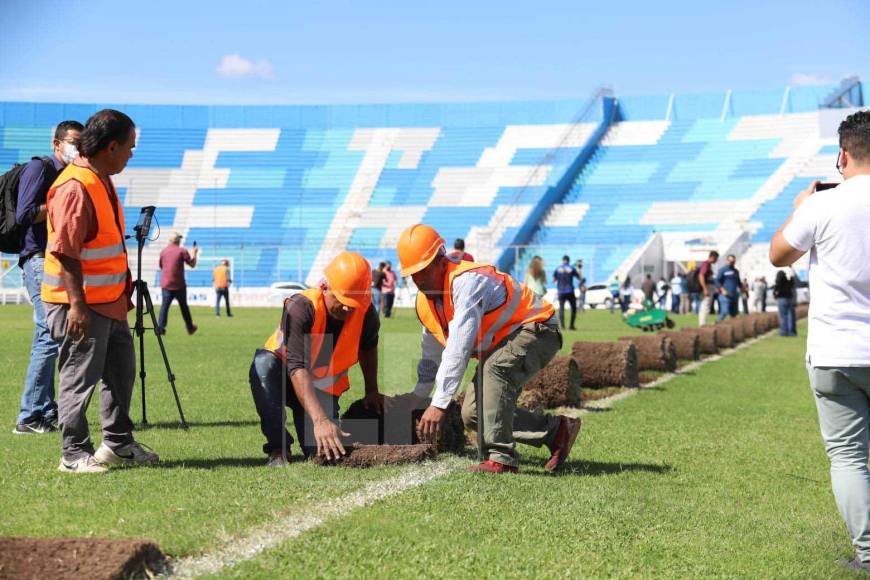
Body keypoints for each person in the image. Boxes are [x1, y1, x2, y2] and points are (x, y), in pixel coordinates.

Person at [769, 109, 870, 572]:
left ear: (842, 155)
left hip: (836, 350)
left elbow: (778, 255)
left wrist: (797, 209)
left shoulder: (821, 205)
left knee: (849, 458)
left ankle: (868, 555)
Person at [398, 224, 580, 474]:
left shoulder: (467, 282)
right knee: (472, 414)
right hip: (506, 342)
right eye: (412, 274)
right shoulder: (424, 303)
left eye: (423, 271)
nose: (418, 280)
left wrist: (439, 405)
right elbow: (431, 357)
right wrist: (419, 399)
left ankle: (501, 458)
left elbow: (458, 349)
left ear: (441, 261)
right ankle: (557, 431)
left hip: (538, 330)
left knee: (495, 369)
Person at [41, 109, 157, 473]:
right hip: (79, 304)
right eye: (129, 148)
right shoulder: (75, 186)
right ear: (110, 147)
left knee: (120, 373)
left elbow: (106, 246)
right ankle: (73, 454)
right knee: (79, 377)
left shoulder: (101, 178)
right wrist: (77, 305)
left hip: (108, 302)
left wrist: (123, 292)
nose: (131, 155)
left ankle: (118, 443)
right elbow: (66, 251)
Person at [250, 251, 382, 466]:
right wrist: (320, 420)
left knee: (321, 451)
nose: (348, 308)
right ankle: (278, 448)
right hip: (284, 373)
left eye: (354, 302)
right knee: (263, 365)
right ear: (326, 286)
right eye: (342, 299)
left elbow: (368, 348)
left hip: (320, 385)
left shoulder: (365, 312)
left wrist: (371, 391)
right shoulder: (301, 307)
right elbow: (297, 365)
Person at [12, 120, 83, 435]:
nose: (77, 148)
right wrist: (58, 203)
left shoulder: (70, 175)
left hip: (55, 260)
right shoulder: (40, 169)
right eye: (72, 142)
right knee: (48, 333)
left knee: (53, 333)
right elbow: (25, 214)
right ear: (57, 144)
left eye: (82, 143)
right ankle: (29, 416)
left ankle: (45, 411)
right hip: (38, 258)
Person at [157, 232, 199, 335]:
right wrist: (194, 253)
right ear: (177, 240)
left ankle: (161, 328)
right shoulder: (182, 251)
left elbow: (161, 266)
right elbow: (192, 264)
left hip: (166, 284)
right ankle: (190, 328)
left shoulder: (163, 251)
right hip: (179, 284)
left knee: (164, 307)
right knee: (184, 307)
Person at [552, 255, 581, 330]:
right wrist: (579, 269)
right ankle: (571, 326)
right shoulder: (571, 268)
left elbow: (554, 280)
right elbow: (579, 278)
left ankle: (562, 326)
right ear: (568, 260)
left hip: (561, 291)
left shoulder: (558, 269)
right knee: (573, 308)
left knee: (561, 309)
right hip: (569, 291)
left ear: (563, 260)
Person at [773, 267, 798, 336]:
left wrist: (775, 294)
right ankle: (792, 332)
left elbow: (777, 286)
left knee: (783, 316)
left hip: (781, 298)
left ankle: (784, 331)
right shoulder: (790, 276)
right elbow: (792, 284)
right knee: (791, 316)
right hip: (789, 297)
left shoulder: (780, 276)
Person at [716, 254, 741, 320]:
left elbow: (738, 282)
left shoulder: (736, 271)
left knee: (734, 314)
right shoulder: (722, 270)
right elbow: (717, 281)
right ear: (727, 261)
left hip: (734, 295)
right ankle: (717, 324)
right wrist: (722, 289)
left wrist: (744, 290)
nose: (731, 263)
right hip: (725, 295)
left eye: (733, 261)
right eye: (730, 261)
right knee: (724, 312)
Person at [697, 251, 719, 325]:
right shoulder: (706, 264)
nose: (716, 260)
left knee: (706, 306)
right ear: (713, 257)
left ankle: (703, 323)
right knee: (705, 306)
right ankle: (702, 324)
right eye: (716, 259)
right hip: (707, 287)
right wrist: (705, 288)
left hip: (708, 287)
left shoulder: (708, 265)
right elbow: (701, 275)